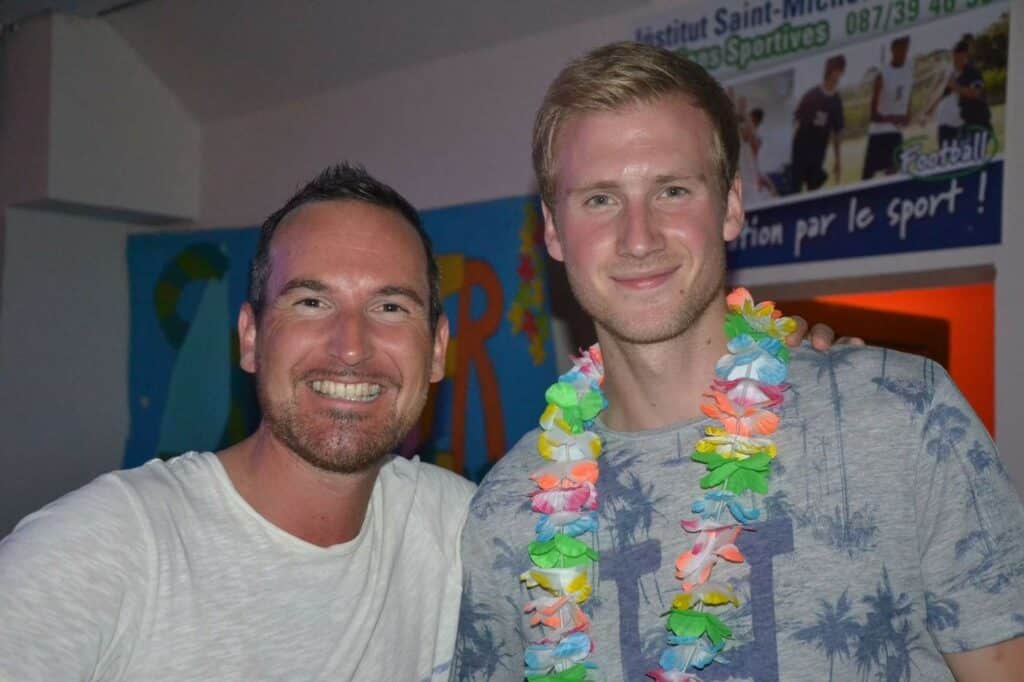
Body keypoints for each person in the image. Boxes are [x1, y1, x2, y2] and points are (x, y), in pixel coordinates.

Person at [453, 41, 1024, 682]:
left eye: (673, 190)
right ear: (554, 231)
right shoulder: (507, 512)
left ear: (729, 207)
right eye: (600, 200)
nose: (639, 238)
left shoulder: (902, 416)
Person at [0, 163, 476, 680]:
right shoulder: (100, 549)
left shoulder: (461, 531)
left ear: (436, 350)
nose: (351, 347)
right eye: (312, 302)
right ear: (250, 338)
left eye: (389, 307)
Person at [790, 54, 846, 192]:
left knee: (814, 189)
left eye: (840, 71)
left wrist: (838, 161)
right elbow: (796, 121)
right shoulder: (812, 95)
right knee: (794, 188)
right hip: (801, 149)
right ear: (829, 71)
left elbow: (837, 132)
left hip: (818, 152)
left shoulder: (836, 101)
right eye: (835, 70)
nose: (837, 75)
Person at [862, 36, 913, 179]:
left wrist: (907, 117)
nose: (903, 53)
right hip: (878, 135)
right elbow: (873, 115)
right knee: (867, 179)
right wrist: (893, 118)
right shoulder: (882, 74)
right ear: (893, 49)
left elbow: (907, 106)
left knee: (894, 178)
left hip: (895, 135)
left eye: (906, 48)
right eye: (900, 48)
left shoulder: (909, 71)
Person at [737, 100, 775, 206]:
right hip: (746, 182)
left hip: (750, 182)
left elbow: (753, 139)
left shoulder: (755, 139)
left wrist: (744, 114)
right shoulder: (741, 136)